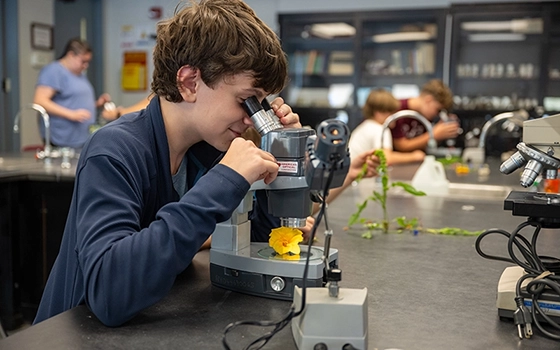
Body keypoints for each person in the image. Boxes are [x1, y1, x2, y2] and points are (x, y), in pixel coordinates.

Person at [33, 0, 316, 327]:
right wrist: (223, 181)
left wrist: (283, 160)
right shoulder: (114, 149)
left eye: (260, 106)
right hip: (72, 334)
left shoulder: (207, 149)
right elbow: (109, 294)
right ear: (189, 82)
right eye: (246, 101)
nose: (253, 119)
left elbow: (262, 238)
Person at [33, 38, 114, 148]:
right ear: (71, 55)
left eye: (88, 62)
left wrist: (97, 104)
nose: (86, 66)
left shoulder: (79, 74)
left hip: (81, 138)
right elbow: (40, 101)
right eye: (83, 61)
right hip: (62, 139)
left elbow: (73, 101)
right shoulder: (54, 71)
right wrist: (71, 114)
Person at [349, 89, 425, 166]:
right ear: (378, 113)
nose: (395, 116)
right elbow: (386, 159)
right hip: (362, 177)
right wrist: (415, 156)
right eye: (391, 112)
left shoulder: (365, 126)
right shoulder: (380, 130)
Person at [390, 79, 460, 152]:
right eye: (438, 110)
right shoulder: (397, 109)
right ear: (428, 100)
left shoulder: (425, 115)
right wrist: (433, 135)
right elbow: (401, 146)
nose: (437, 114)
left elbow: (425, 145)